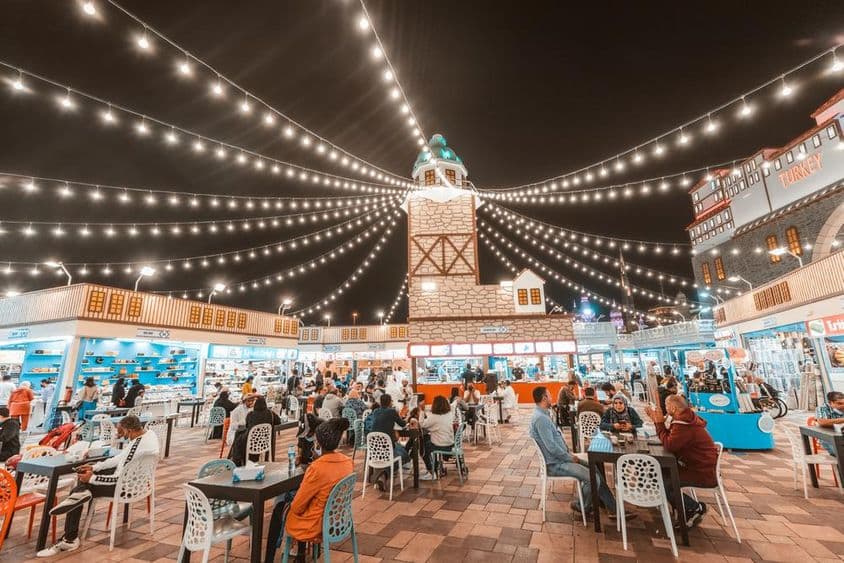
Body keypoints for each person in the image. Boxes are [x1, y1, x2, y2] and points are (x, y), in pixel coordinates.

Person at [37, 415, 159, 557]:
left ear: (130, 430)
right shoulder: (149, 435)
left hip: (125, 488)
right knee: (85, 478)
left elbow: (117, 479)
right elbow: (120, 458)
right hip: (139, 483)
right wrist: (95, 467)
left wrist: (93, 478)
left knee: (83, 483)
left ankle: (70, 539)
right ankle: (81, 493)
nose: (122, 436)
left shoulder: (137, 447)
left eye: (122, 432)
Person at [529, 386, 623, 520]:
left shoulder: (543, 415)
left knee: (594, 469)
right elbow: (552, 448)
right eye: (549, 395)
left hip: (561, 458)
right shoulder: (541, 419)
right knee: (593, 478)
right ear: (544, 398)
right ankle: (582, 505)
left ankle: (613, 508)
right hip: (556, 464)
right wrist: (569, 457)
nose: (551, 397)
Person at [273, 418, 353, 563]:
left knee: (282, 505)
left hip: (316, 524)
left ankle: (279, 550)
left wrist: (316, 462)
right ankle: (300, 553)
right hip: (339, 520)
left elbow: (298, 506)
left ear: (318, 443)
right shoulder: (347, 462)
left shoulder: (317, 468)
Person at [645, 395, 715, 528]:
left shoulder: (684, 424)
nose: (665, 409)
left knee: (663, 481)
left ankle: (694, 508)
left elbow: (669, 445)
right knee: (658, 472)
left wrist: (659, 423)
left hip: (701, 471)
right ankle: (679, 507)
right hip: (699, 465)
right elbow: (671, 442)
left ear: (673, 407)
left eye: (666, 405)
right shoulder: (687, 419)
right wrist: (658, 422)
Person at [420, 396, 455, 480]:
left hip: (440, 445)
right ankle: (437, 467)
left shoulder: (434, 417)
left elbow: (422, 424)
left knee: (423, 448)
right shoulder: (449, 414)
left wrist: (421, 411)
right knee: (427, 439)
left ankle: (432, 472)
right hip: (450, 444)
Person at [370, 394, 412, 464]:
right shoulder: (392, 411)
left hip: (375, 447)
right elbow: (403, 424)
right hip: (387, 445)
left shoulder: (375, 411)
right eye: (391, 401)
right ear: (389, 402)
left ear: (380, 402)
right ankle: (393, 467)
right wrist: (408, 418)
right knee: (404, 452)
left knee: (399, 447)